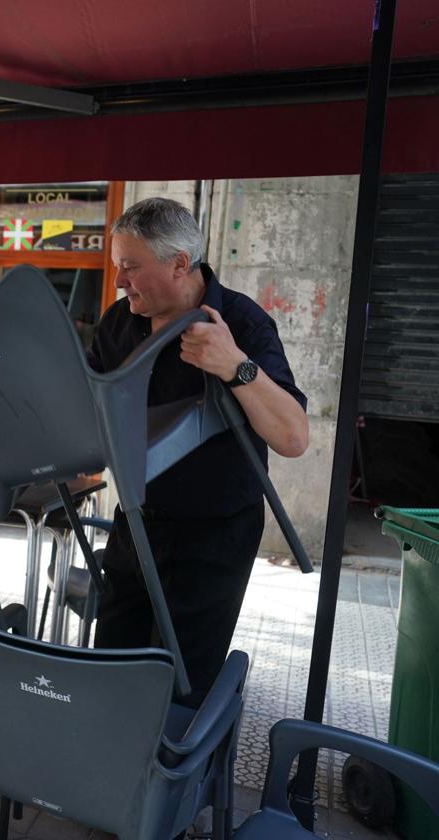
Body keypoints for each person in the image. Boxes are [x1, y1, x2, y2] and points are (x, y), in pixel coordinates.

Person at [88, 197, 309, 706]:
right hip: (137, 524)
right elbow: (91, 412)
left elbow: (294, 438)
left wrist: (236, 365)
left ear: (180, 265)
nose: (120, 282)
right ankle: (114, 778)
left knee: (183, 691)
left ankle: (174, 782)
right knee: (112, 676)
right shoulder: (118, 324)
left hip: (215, 536)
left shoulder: (244, 323)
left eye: (130, 267)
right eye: (117, 267)